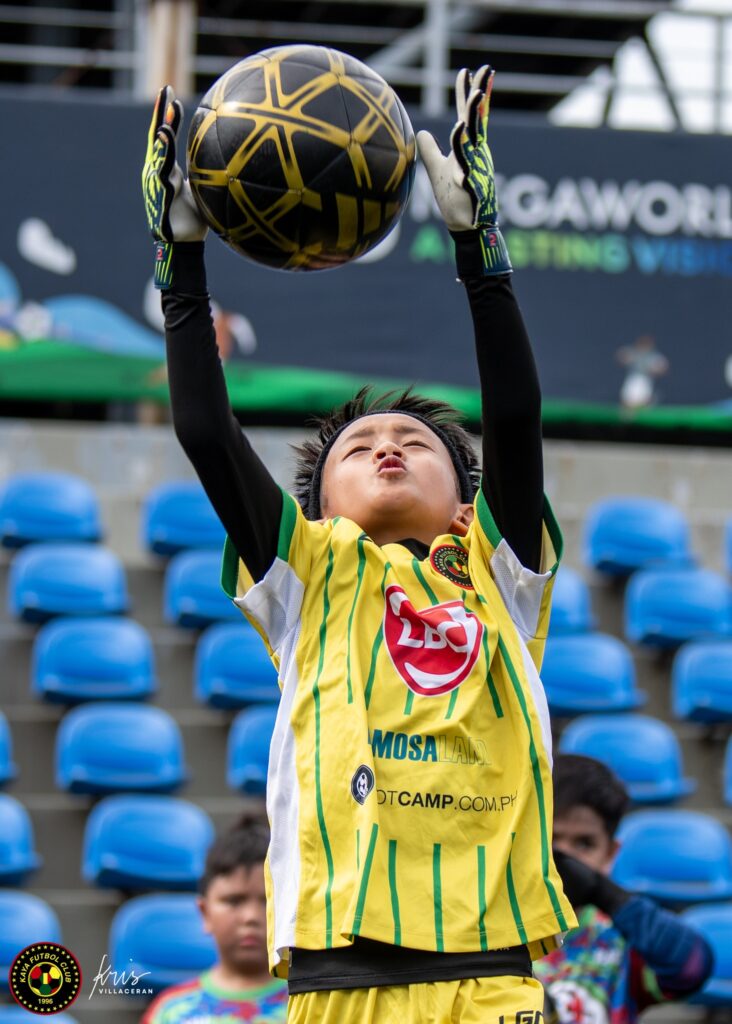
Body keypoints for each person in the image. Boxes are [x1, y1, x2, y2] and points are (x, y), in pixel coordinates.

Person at [142, 63, 577, 1023]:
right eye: (358, 447)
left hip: (493, 976)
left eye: (415, 444)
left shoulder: (501, 578)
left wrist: (479, 247)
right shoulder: (308, 574)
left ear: (468, 508)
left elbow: (514, 413)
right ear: (322, 509)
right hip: (341, 982)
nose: (386, 447)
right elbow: (208, 435)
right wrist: (183, 266)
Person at [536, 753, 714, 1023]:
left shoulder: (622, 938)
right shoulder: (491, 930)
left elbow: (691, 967)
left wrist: (606, 894)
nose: (565, 857)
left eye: (584, 844)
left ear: (610, 853)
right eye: (551, 839)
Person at [142, 815, 288, 1023]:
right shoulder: (171, 1012)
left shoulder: (308, 1005)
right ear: (205, 912)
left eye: (267, 901)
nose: (251, 917)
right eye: (234, 901)